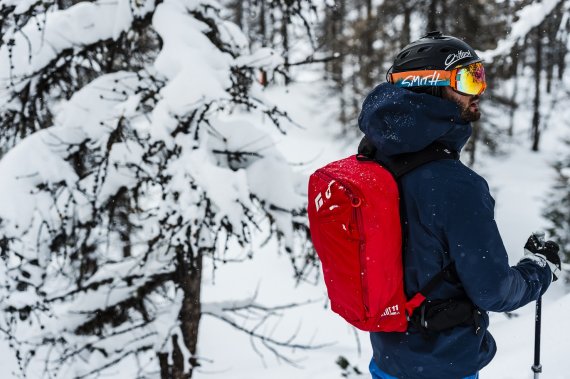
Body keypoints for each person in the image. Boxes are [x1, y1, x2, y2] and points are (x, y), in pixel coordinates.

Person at [357, 31, 562, 379]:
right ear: (431, 85)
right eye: (469, 79)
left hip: (388, 358)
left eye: (479, 76)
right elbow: (493, 291)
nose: (478, 92)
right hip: (443, 365)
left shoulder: (374, 157)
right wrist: (539, 272)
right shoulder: (454, 185)